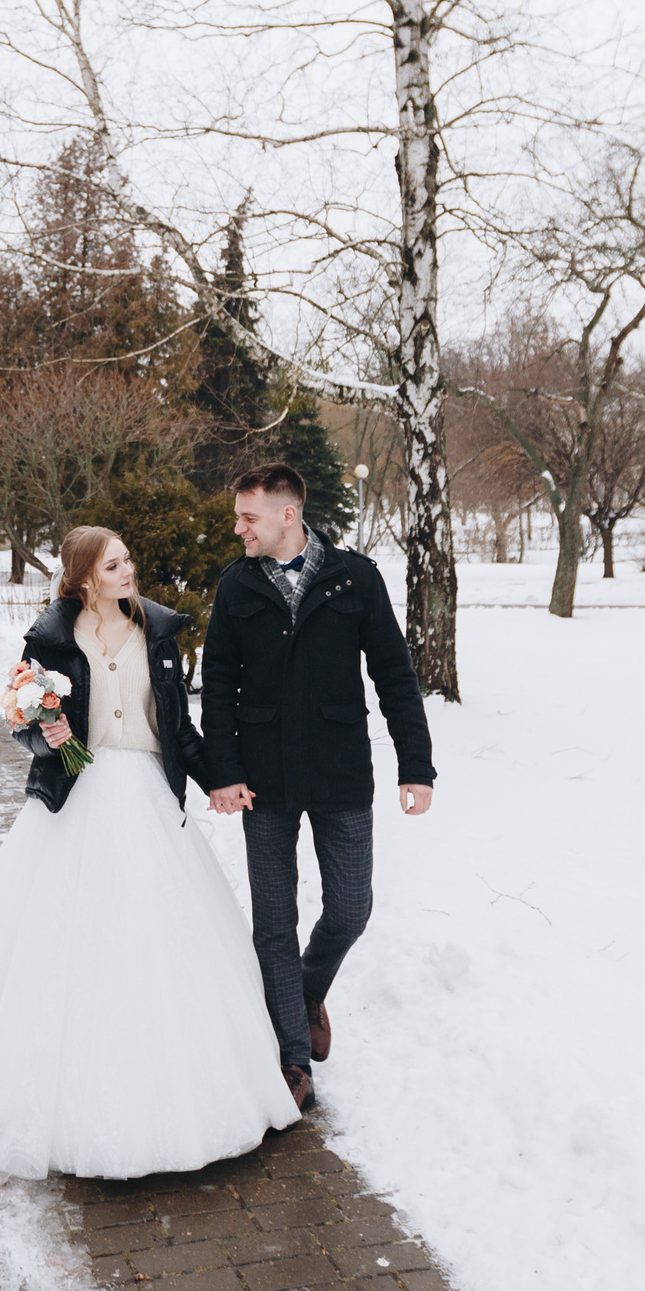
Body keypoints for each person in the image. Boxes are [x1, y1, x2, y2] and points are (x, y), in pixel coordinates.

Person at [0, 525, 301, 1178]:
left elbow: (177, 729)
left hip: (146, 797)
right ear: (84, 576)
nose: (128, 570)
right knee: (64, 938)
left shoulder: (156, 632)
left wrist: (219, 781)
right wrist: (47, 733)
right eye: (113, 565)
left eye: (128, 559)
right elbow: (24, 720)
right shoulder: (52, 637)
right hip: (76, 794)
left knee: (161, 938)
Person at [200, 462, 437, 1111]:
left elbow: (394, 674)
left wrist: (416, 765)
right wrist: (224, 771)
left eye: (248, 516)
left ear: (288, 515)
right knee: (274, 924)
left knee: (352, 908)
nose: (239, 528)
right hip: (263, 779)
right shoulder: (238, 585)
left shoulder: (355, 578)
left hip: (340, 771)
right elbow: (217, 684)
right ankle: (293, 1059)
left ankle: (306, 989)